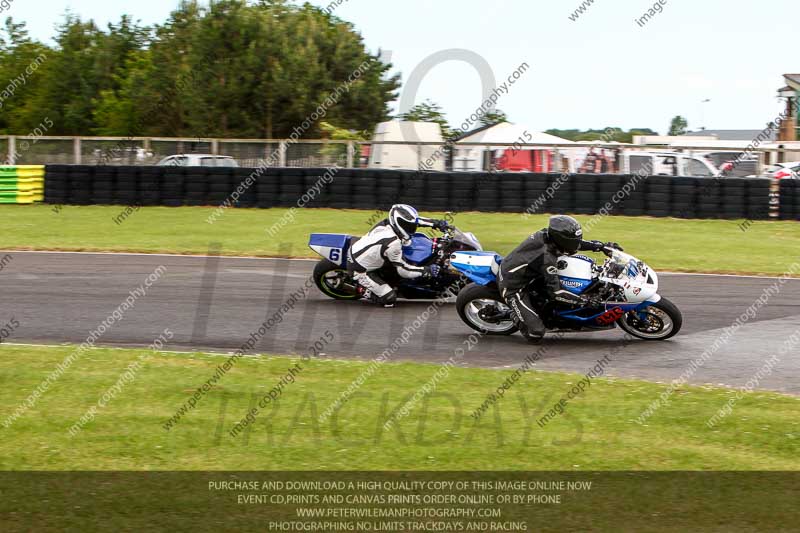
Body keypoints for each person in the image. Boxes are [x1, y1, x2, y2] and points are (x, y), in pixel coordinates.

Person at [498, 215, 622, 342]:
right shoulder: (547, 259)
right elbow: (556, 293)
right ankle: (514, 315)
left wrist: (601, 247)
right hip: (513, 287)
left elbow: (575, 244)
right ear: (563, 239)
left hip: (530, 274)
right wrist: (584, 301)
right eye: (573, 239)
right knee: (536, 333)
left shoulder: (549, 236)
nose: (577, 242)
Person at [349, 204, 449, 307]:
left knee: (394, 268)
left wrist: (437, 223)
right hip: (360, 269)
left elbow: (415, 221)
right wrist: (426, 270)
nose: (411, 228)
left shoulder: (386, 223)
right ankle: (360, 289)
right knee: (389, 299)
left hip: (369, 254)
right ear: (397, 222)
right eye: (407, 225)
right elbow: (404, 270)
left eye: (409, 225)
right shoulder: (393, 243)